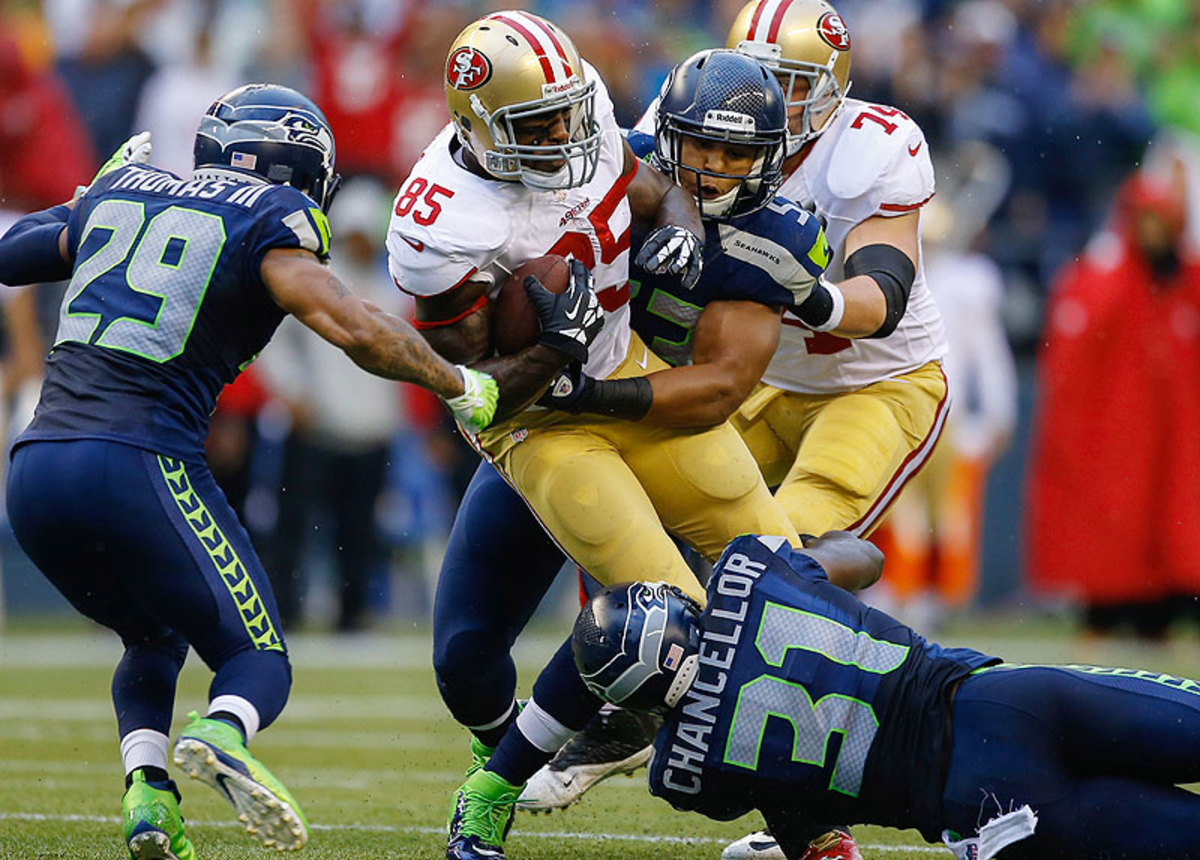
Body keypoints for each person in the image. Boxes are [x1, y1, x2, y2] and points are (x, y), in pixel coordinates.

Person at [0, 83, 500, 860]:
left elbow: (11, 255)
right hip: (141, 463)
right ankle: (222, 733)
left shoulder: (124, 187)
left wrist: (89, 197)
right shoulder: (269, 219)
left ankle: (149, 795)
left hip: (35, 472)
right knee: (255, 659)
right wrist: (458, 385)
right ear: (300, 171)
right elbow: (355, 327)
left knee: (151, 632)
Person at [526, 6, 949, 856]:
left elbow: (883, 292)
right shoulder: (689, 119)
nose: (770, 107)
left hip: (874, 381)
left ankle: (801, 797)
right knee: (630, 503)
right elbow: (630, 197)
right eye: (759, 80)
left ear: (832, 90)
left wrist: (807, 292)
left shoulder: (874, 143)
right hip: (753, 383)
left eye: (793, 88)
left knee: (779, 559)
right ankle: (633, 703)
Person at [385, 13, 807, 859]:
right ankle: (494, 785)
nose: (567, 136)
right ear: (478, 124)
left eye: (572, 112)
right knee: (676, 632)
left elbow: (654, 185)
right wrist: (552, 348)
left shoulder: (586, 129)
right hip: (540, 425)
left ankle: (806, 830)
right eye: (538, 125)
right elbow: (476, 389)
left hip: (624, 374)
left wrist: (679, 228)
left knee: (790, 594)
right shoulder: (441, 223)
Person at [573, 533, 1200, 860]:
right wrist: (805, 553)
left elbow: (795, 816)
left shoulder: (683, 771)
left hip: (984, 809)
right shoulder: (747, 573)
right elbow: (864, 556)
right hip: (1008, 706)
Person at [1027, 169, 1200, 638]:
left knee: (1168, 531)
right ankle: (1109, 615)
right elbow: (1068, 368)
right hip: (1120, 438)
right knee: (1112, 534)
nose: (1153, 233)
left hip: (1169, 440)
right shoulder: (1104, 281)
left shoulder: (1182, 282)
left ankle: (1157, 616)